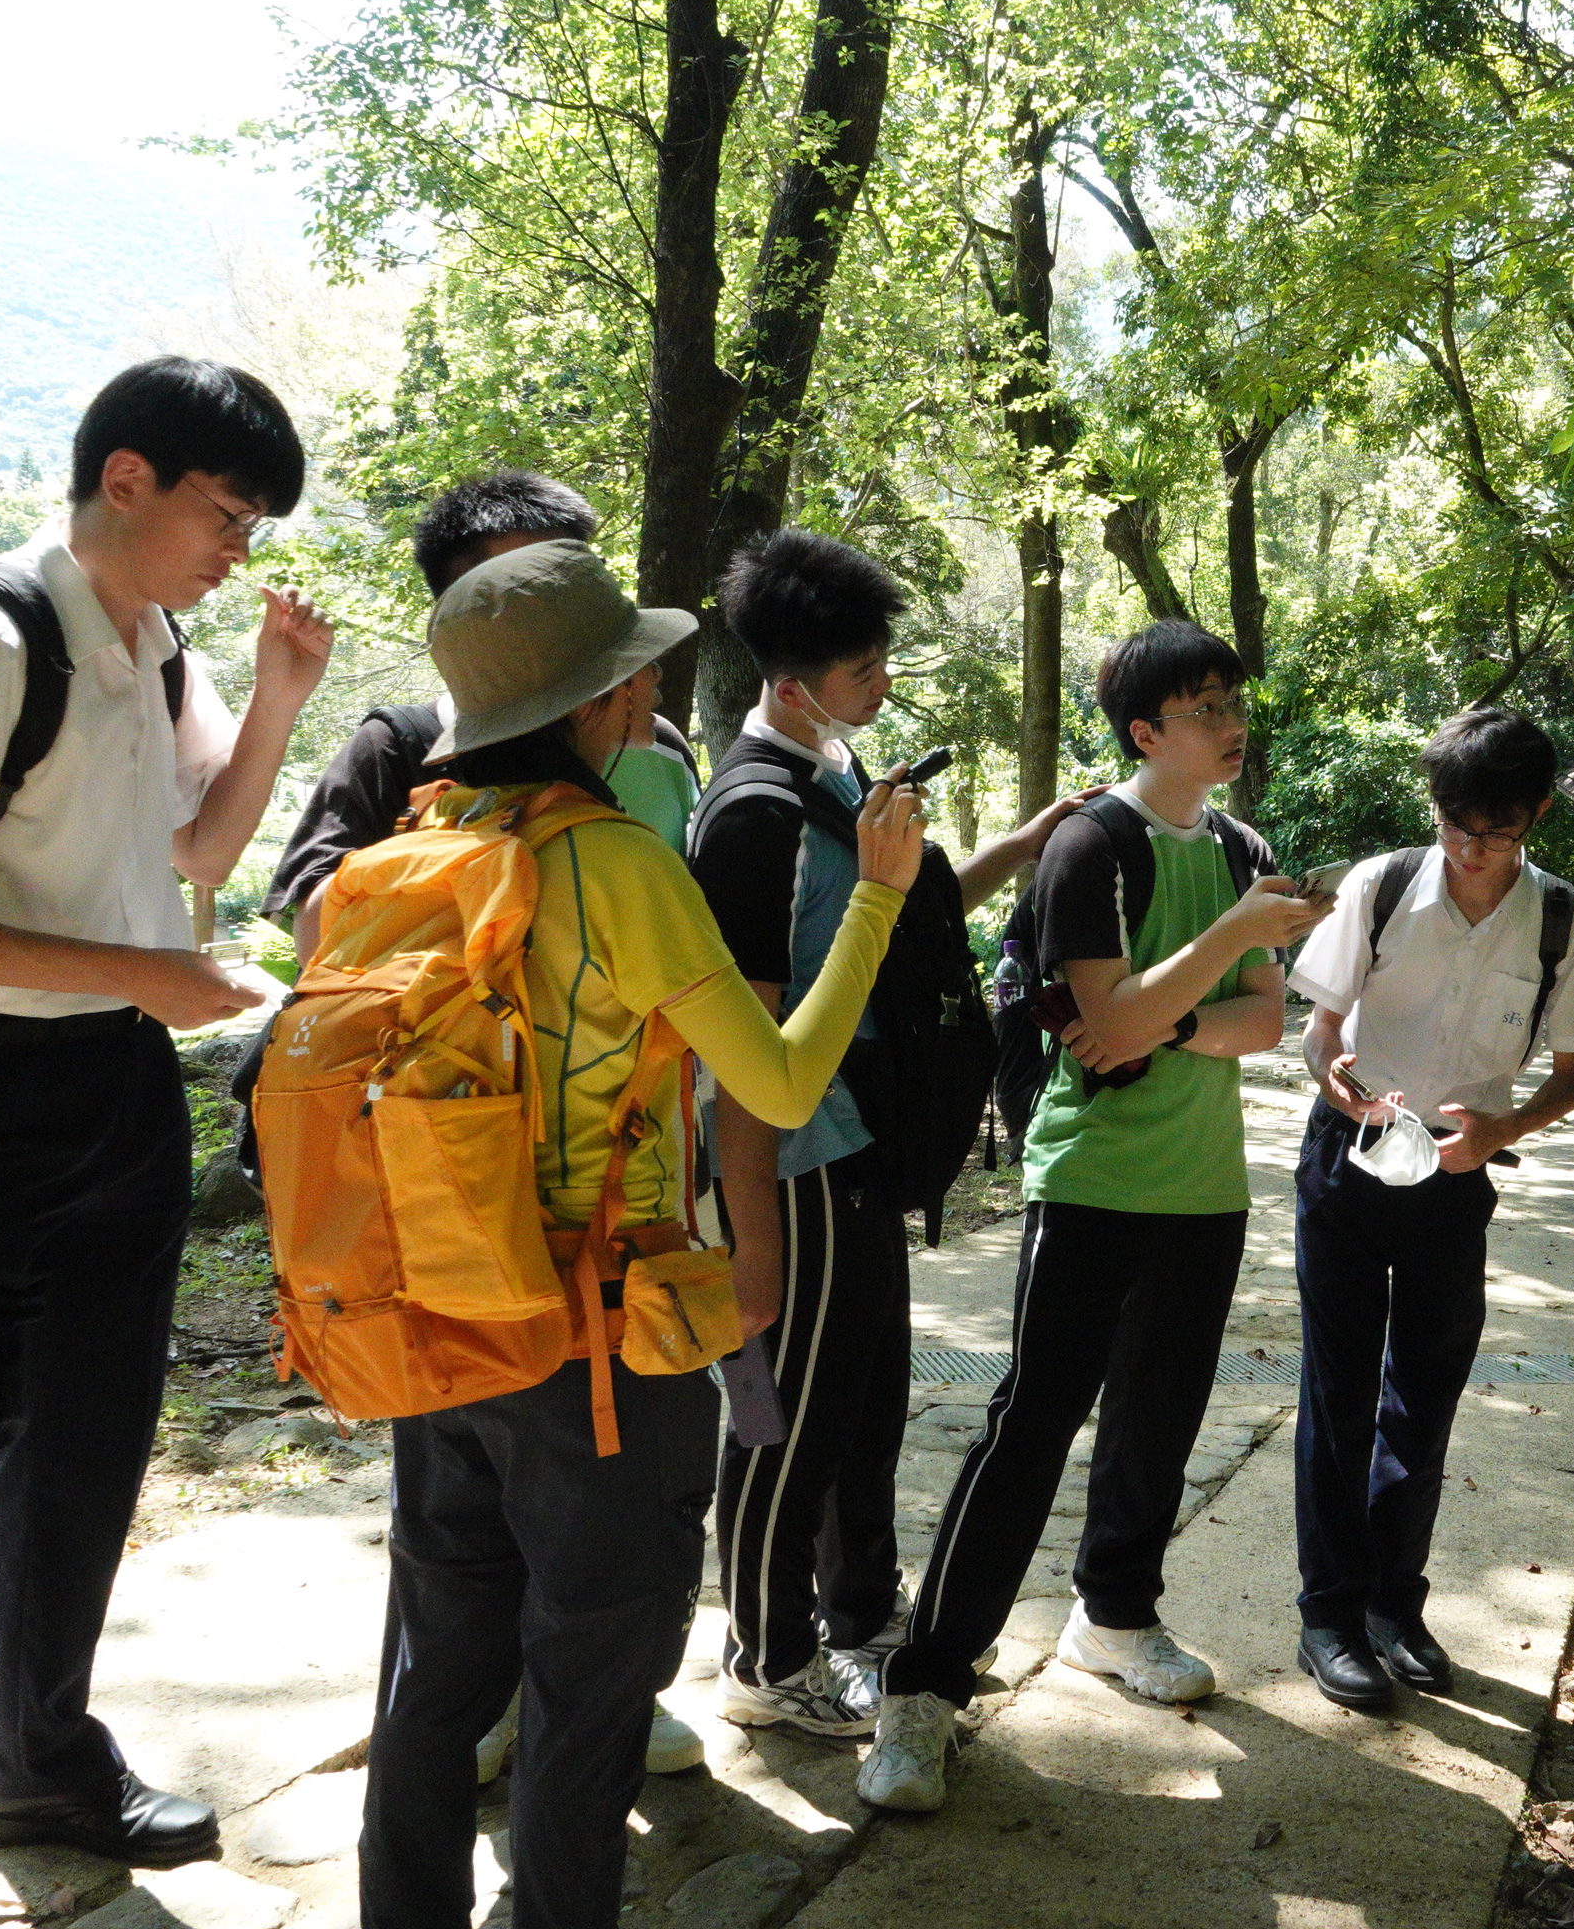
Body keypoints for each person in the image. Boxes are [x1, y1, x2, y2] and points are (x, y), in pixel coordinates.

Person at [0, 359, 331, 1922]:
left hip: (110, 1092)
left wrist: (278, 693)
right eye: (226, 514)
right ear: (127, 481)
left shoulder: (152, 643)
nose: (237, 547)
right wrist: (148, 977)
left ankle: (38, 1754)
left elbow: (198, 850)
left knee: (90, 1447)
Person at [346, 541, 926, 1929]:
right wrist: (881, 896)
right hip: (593, 1347)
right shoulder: (615, 861)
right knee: (589, 1686)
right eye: (635, 666)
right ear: (610, 697)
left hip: (439, 1318)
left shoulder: (415, 849)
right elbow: (780, 1083)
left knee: (432, 1674)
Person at [258, 470, 705, 1780]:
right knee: (455, 1508)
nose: (555, 613)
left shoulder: (658, 754)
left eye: (575, 574)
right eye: (519, 580)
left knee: (591, 1518)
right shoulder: (402, 749)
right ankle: (452, 1712)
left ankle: (584, 1693)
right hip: (441, 1201)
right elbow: (317, 923)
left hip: (619, 1195)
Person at [857, 621, 1328, 1815]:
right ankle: (923, 1689)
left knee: (1160, 1418)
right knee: (1033, 1425)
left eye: (1232, 702)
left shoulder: (1239, 845)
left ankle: (1114, 1616)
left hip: (1204, 1184)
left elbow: (1257, 1026)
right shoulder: (1091, 844)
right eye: (1206, 707)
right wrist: (1207, 965)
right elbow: (1111, 1030)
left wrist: (1153, 1015)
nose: (1231, 724)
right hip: (1092, 1179)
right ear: (1144, 732)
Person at [686, 529, 1096, 1735]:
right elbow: (743, 1052)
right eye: (863, 670)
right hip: (794, 1162)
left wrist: (1011, 852)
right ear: (791, 681)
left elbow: (885, 943)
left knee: (861, 1408)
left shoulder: (834, 778)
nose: (882, 687)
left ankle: (858, 1618)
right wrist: (750, 1237)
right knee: (781, 1423)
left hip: (859, 1153)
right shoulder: (752, 818)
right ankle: (765, 1661)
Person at [1282, 706, 1574, 1709]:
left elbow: (1571, 1078)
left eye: (1495, 833)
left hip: (1458, 1172)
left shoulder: (1563, 921)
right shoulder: (1379, 889)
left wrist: (1499, 1137)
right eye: (1455, 828)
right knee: (1337, 1395)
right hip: (1350, 1158)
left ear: (1535, 817)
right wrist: (1331, 1073)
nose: (1471, 852)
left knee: (1423, 1396)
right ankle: (1329, 1616)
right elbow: (1317, 1033)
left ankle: (1394, 1602)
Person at [266, 470, 702, 965]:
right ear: (459, 607)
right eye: (531, 585)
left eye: (575, 576)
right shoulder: (398, 745)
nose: (567, 600)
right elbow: (312, 937)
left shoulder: (661, 743)